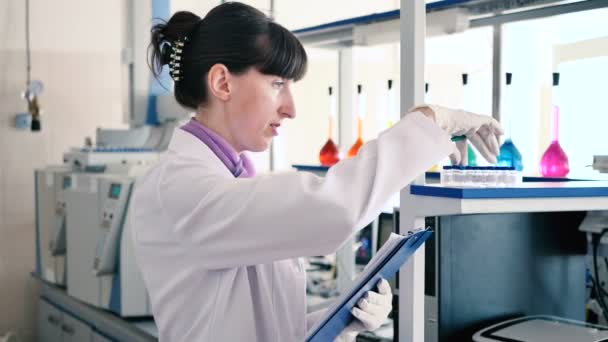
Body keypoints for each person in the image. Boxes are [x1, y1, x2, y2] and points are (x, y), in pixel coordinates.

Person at [131, 2, 503, 342]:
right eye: (277, 84)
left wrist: (339, 320)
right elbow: (331, 209)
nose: (290, 108)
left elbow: (260, 328)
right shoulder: (179, 187)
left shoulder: (230, 181)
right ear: (222, 83)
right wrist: (429, 121)